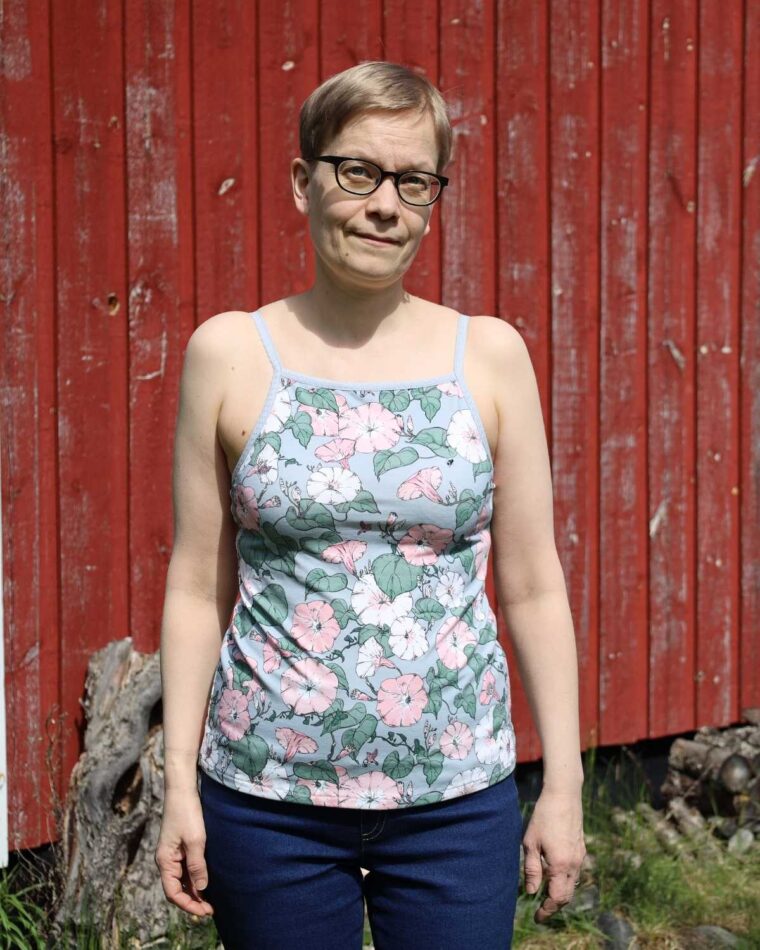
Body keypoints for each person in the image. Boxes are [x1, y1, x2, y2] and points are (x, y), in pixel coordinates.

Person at [155, 60, 586, 949]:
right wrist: (178, 788)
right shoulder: (230, 354)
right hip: (267, 800)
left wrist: (566, 787)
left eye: (413, 181)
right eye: (358, 171)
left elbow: (535, 585)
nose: (384, 204)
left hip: (456, 800)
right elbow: (198, 585)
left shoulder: (490, 357)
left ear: (433, 197)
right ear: (303, 181)